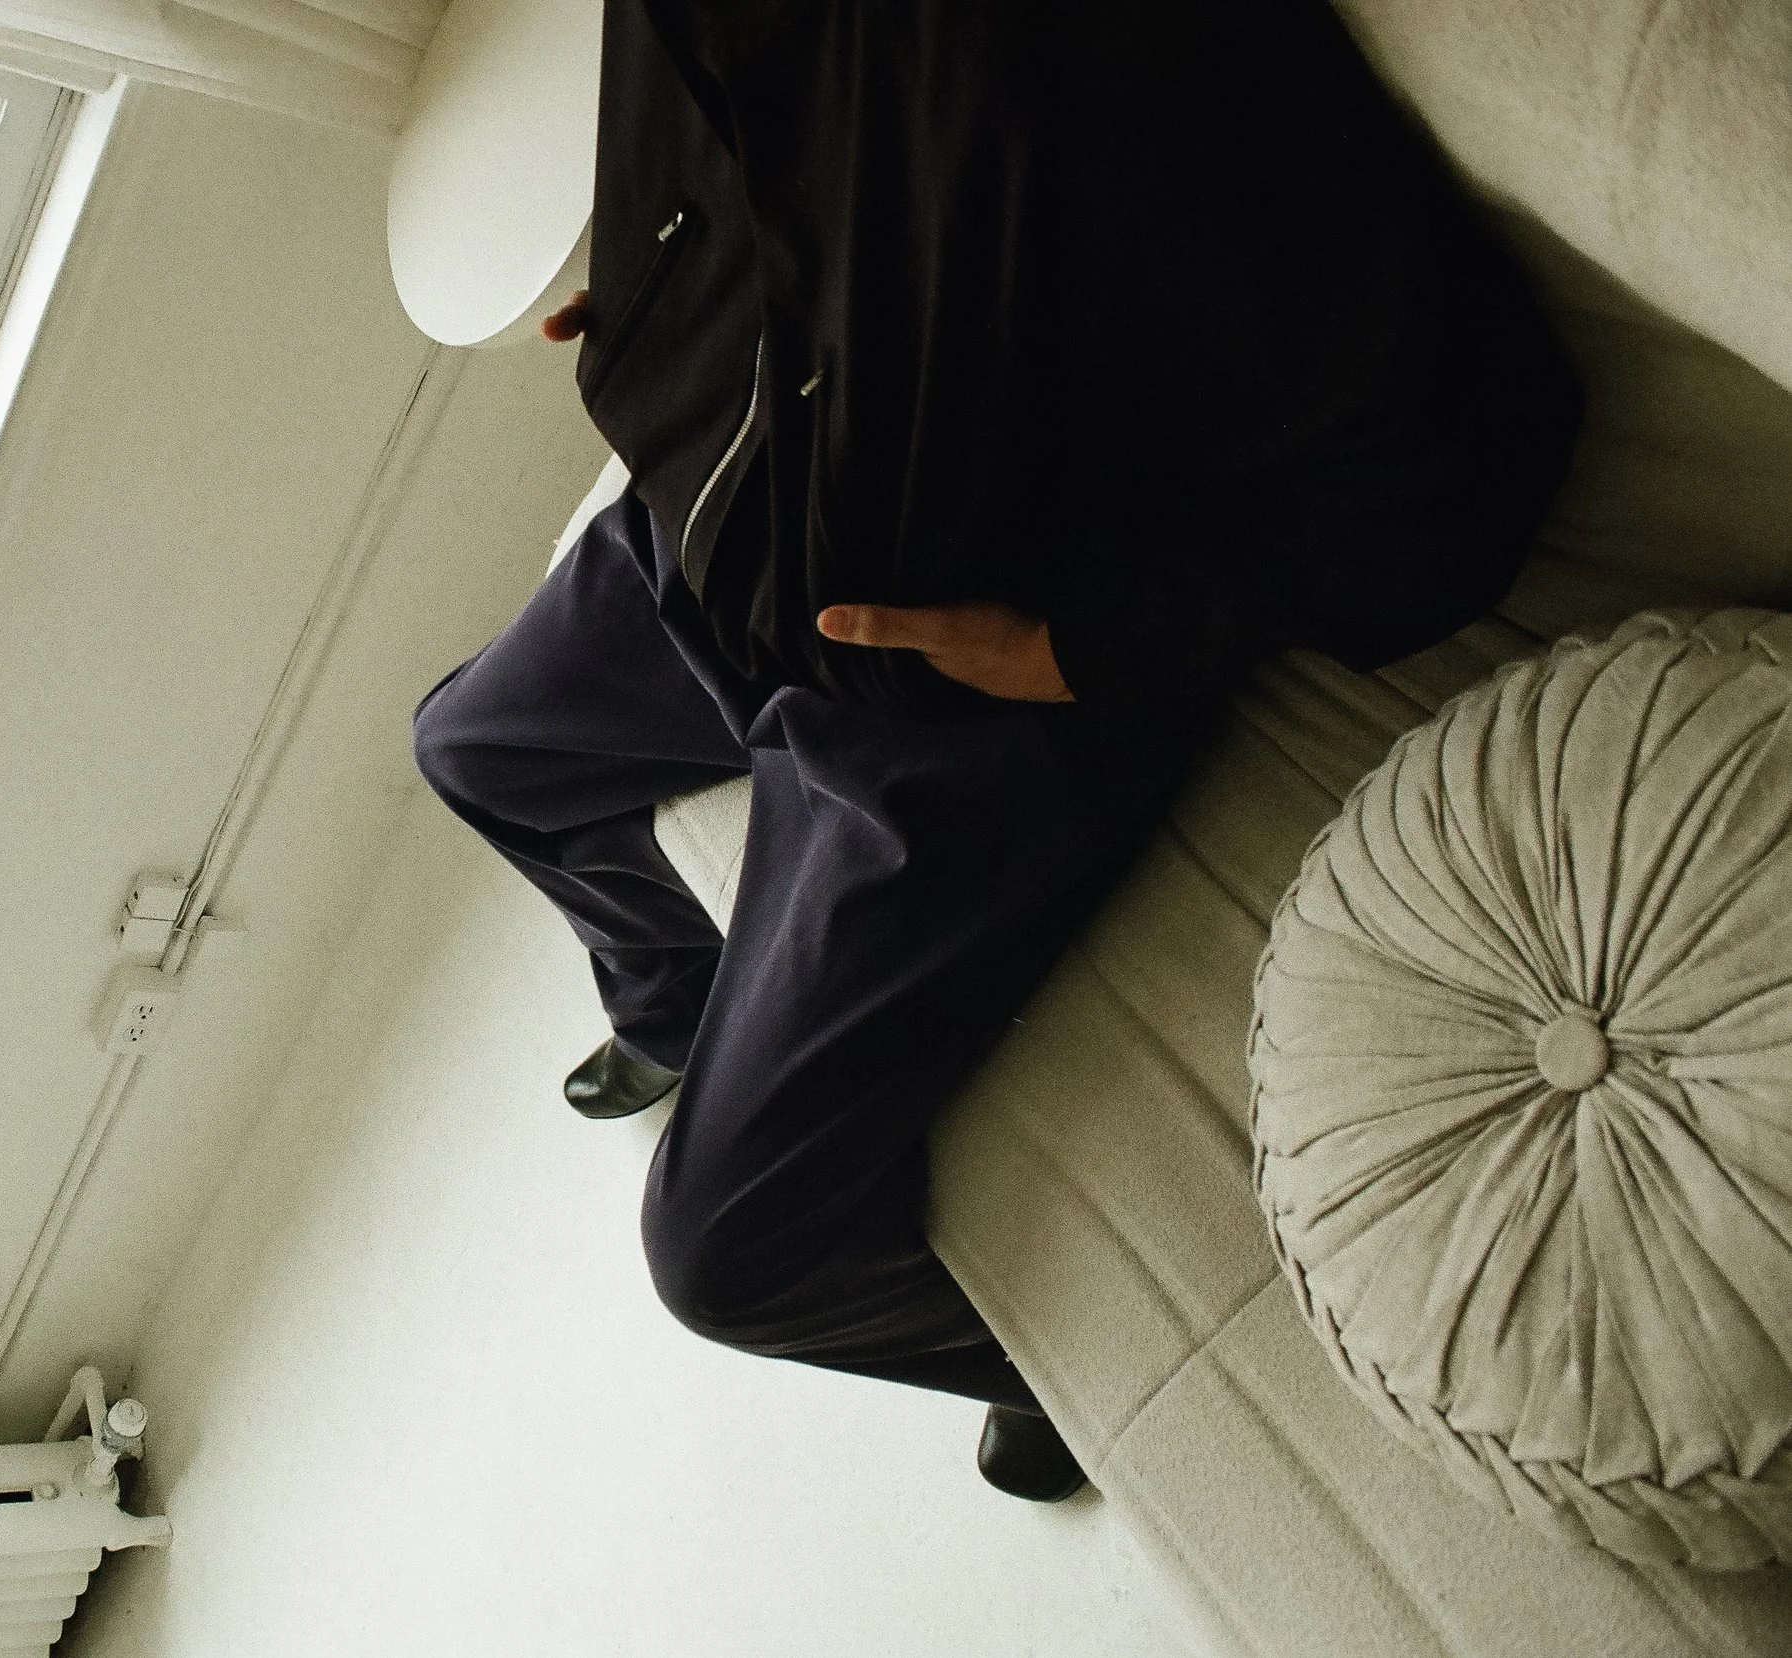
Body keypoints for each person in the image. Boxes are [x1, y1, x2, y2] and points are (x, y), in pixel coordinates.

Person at [413, 0, 1581, 1502]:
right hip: (713, 521)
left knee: (722, 1255)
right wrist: (668, 288)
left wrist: (1070, 649)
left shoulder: (1123, 66)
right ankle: (673, 997)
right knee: (467, 748)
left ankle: (1027, 1371)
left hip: (935, 704)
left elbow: (1464, 461)